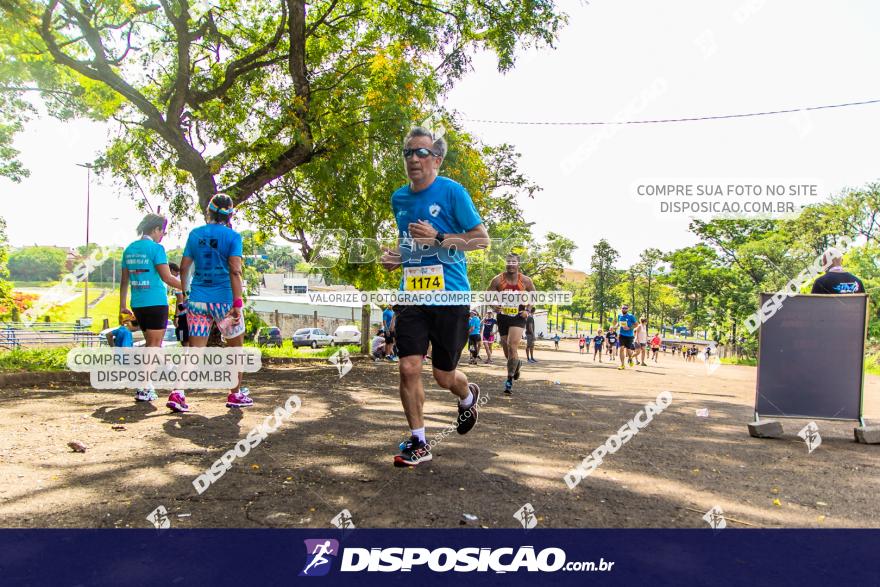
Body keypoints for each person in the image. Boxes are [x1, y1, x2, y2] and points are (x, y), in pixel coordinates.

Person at [379, 126, 489, 467]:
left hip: (450, 297)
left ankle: (467, 394)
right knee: (409, 366)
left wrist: (440, 236)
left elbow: (481, 240)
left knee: (444, 376)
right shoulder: (399, 198)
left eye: (421, 152)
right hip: (412, 294)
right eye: (408, 152)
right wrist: (397, 257)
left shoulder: (453, 192)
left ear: (436, 160)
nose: (413, 158)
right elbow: (411, 245)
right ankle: (419, 442)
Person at [176, 193, 250, 413]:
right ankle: (234, 394)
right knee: (235, 349)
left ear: (209, 211)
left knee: (194, 351)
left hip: (198, 300)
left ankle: (178, 392)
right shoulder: (233, 237)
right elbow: (235, 271)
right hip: (225, 302)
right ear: (230, 214)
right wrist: (237, 303)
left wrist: (185, 295)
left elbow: (183, 268)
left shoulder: (195, 234)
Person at [120, 213, 182, 402]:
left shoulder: (129, 249)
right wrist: (191, 287)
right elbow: (168, 278)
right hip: (155, 301)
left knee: (152, 344)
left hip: (137, 303)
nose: (162, 235)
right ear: (155, 230)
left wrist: (122, 306)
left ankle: (169, 370)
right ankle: (144, 386)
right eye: (162, 232)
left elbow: (124, 281)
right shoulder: (157, 248)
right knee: (153, 346)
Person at [487, 253, 536, 395]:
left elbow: (534, 295)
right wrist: (493, 306)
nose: (511, 264)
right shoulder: (498, 280)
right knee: (505, 347)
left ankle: (509, 380)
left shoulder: (525, 281)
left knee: (511, 344)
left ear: (518, 264)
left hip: (518, 316)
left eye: (514, 262)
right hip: (503, 315)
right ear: (505, 264)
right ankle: (516, 364)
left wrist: (528, 310)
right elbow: (488, 295)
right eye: (508, 262)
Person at [168, 262, 189, 347]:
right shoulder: (186, 275)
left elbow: (180, 299)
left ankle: (187, 358)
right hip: (195, 310)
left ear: (172, 270)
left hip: (184, 313)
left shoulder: (177, 279)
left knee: (184, 339)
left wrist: (176, 316)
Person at [616, 304, 637, 370]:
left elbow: (636, 324)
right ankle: (622, 365)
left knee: (628, 350)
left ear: (627, 309)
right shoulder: (619, 315)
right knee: (621, 349)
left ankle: (630, 358)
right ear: (621, 309)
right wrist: (616, 326)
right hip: (621, 335)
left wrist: (629, 328)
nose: (624, 309)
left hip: (629, 336)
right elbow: (618, 323)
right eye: (623, 308)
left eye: (625, 308)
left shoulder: (631, 316)